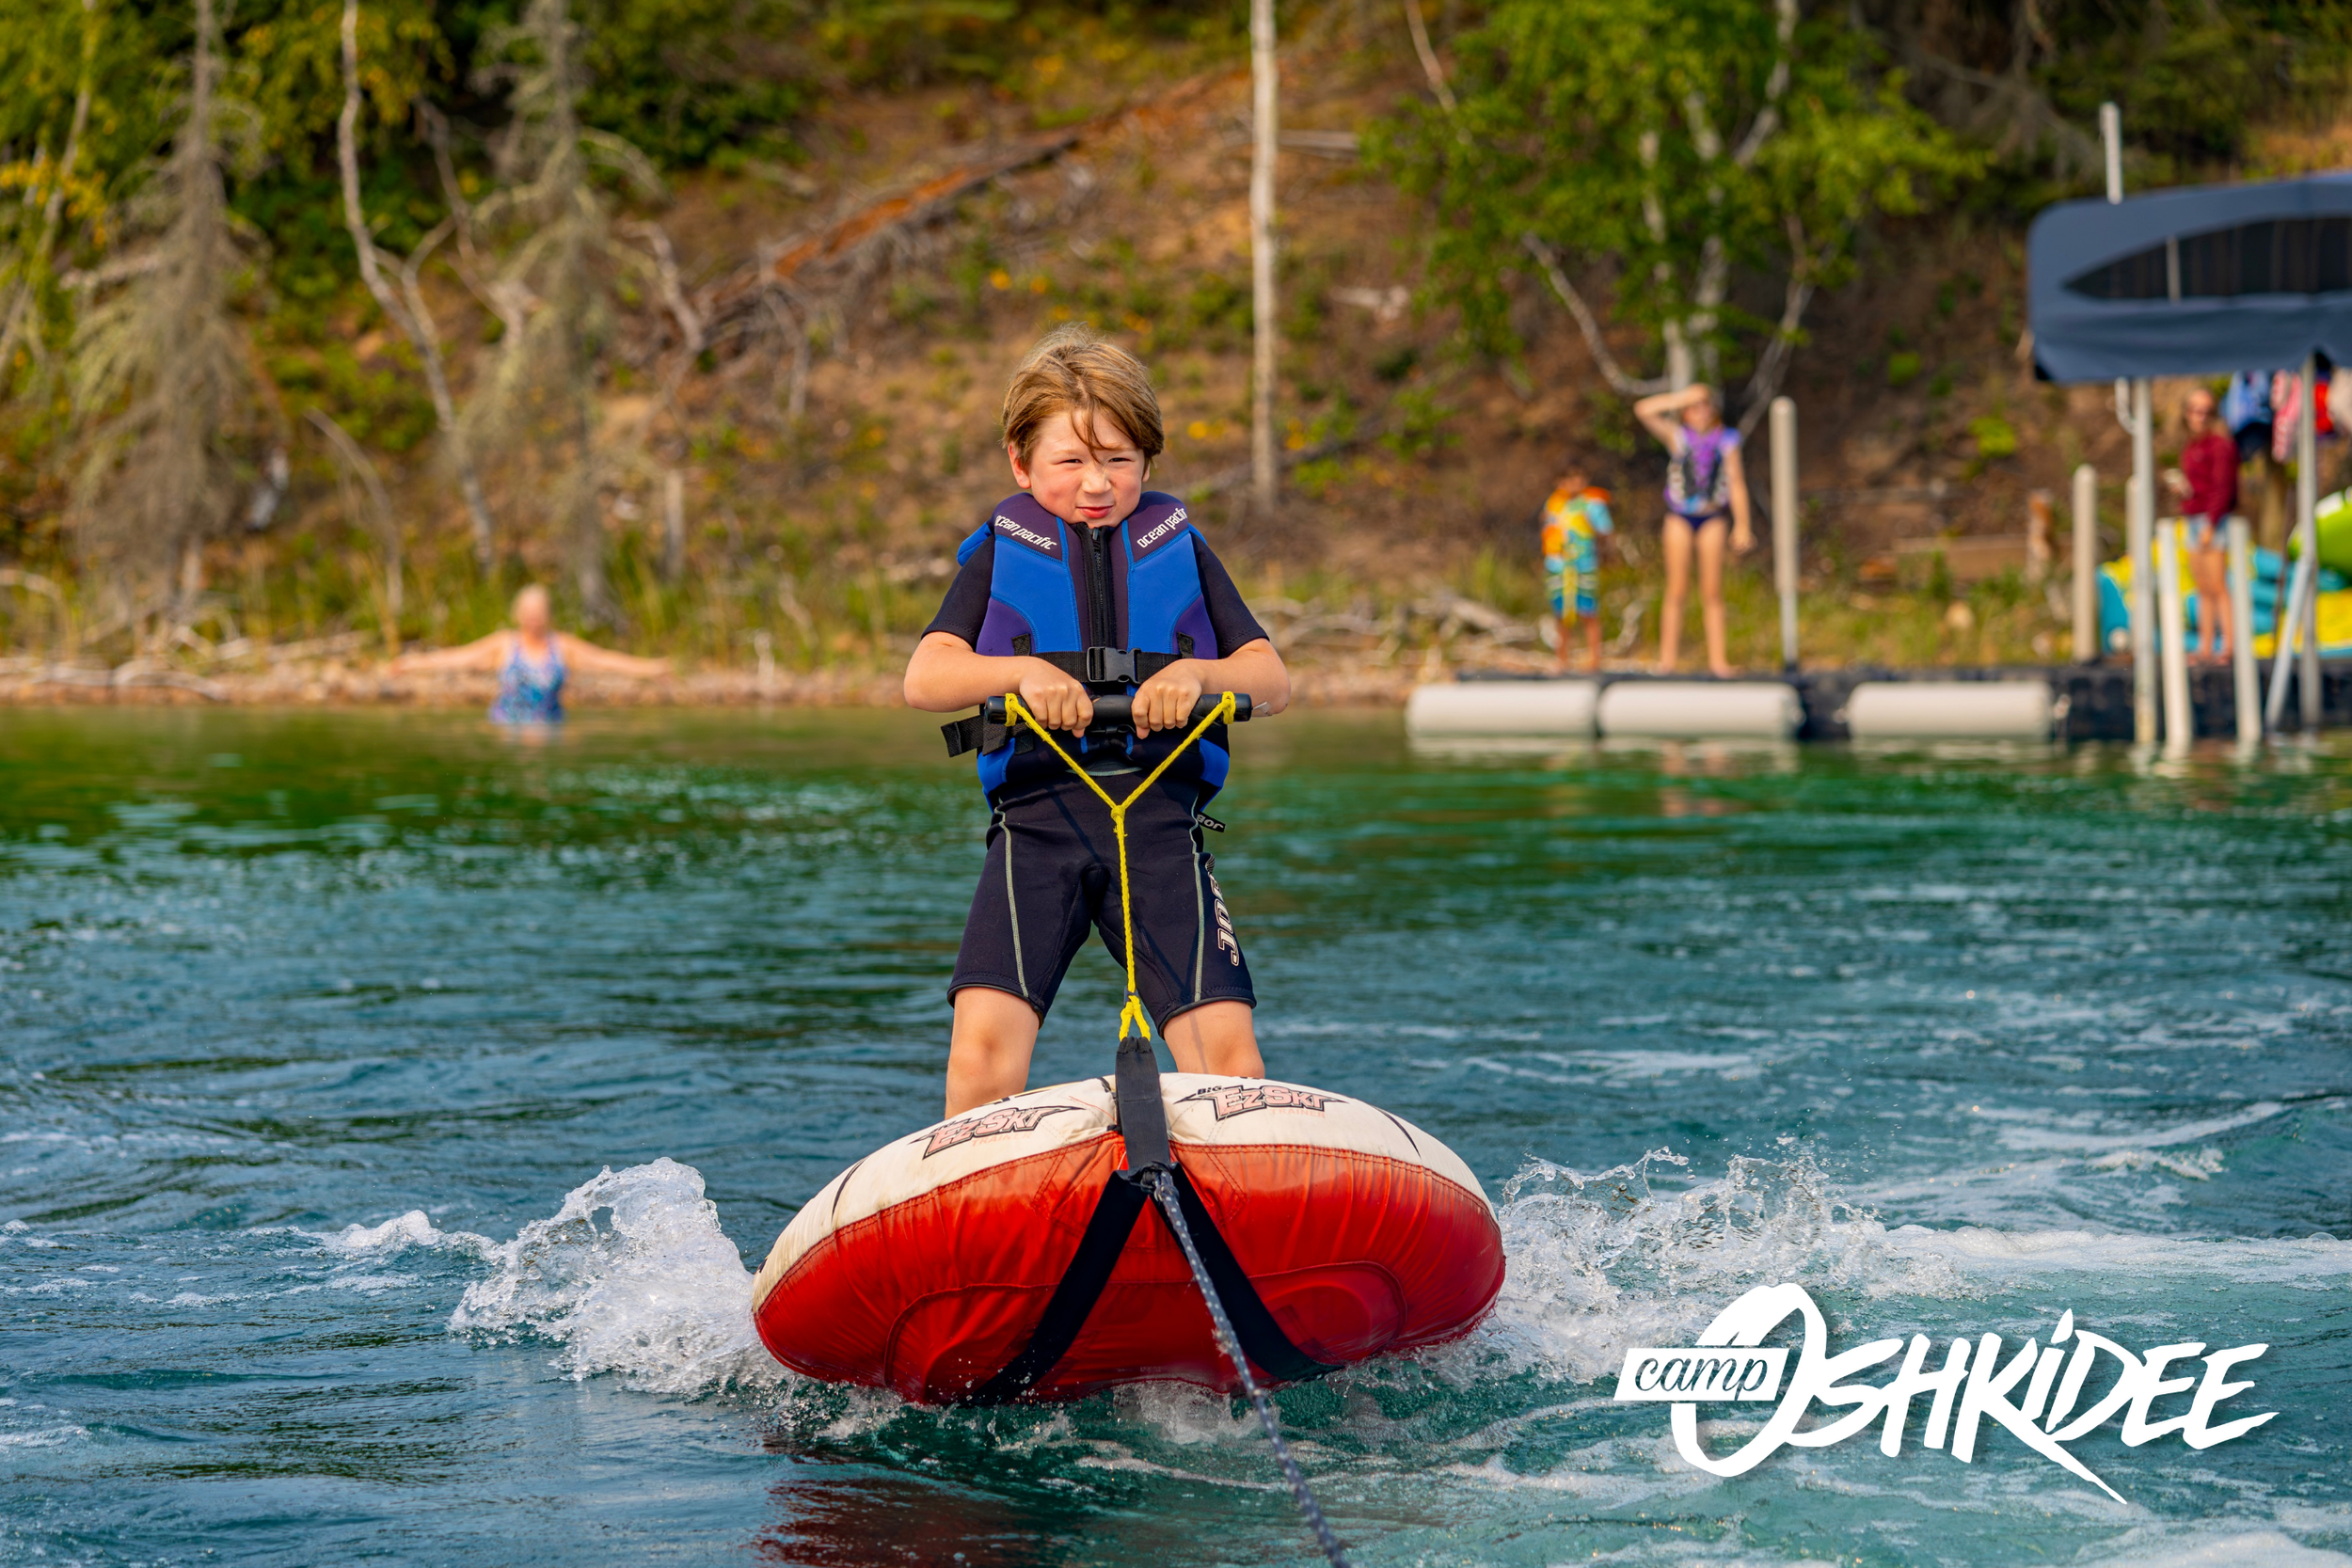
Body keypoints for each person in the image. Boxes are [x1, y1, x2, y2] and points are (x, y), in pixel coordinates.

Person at [904, 325, 1291, 1117]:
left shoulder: (1180, 548)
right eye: (1070, 461)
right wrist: (1022, 671)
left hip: (1158, 823)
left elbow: (1270, 678)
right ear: (1021, 462)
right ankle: (970, 1220)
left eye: (1117, 460)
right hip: (1037, 828)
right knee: (981, 1055)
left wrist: (1194, 674)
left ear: (1146, 459)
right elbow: (927, 677)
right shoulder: (1000, 553)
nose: (1096, 484)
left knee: (1232, 1060)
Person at [391, 584, 670, 722]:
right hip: (506, 731)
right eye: (529, 613)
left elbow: (606, 660)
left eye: (539, 614)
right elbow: (458, 657)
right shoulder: (503, 645)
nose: (534, 619)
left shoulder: (563, 647)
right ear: (518, 614)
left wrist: (652, 668)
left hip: (551, 732)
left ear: (548, 615)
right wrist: (412, 663)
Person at [1633, 384, 1753, 676]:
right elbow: (1643, 410)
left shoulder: (1726, 440)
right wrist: (1682, 396)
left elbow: (1736, 483)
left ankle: (1718, 662)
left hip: (1712, 518)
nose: (1700, 412)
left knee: (1712, 591)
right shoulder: (1677, 437)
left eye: (1705, 405)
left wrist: (1743, 525)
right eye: (1693, 407)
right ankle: (1668, 662)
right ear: (1685, 411)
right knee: (1676, 589)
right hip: (1679, 518)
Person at [2169, 386, 2239, 664]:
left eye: (2206, 411)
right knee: (2202, 587)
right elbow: (2198, 484)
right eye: (2195, 410)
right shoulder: (2191, 446)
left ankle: (2228, 646)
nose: (2200, 416)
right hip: (2192, 517)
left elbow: (2222, 487)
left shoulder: (2220, 445)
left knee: (2218, 585)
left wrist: (2211, 522)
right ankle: (2205, 646)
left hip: (2213, 520)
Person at [1539, 469, 1613, 673]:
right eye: (1568, 478)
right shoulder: (1554, 504)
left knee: (1588, 611)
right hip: (1558, 566)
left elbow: (1606, 532)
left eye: (1579, 477)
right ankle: (1562, 660)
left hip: (1585, 565)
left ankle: (1594, 661)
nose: (1574, 482)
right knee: (1561, 613)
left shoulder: (1593, 504)